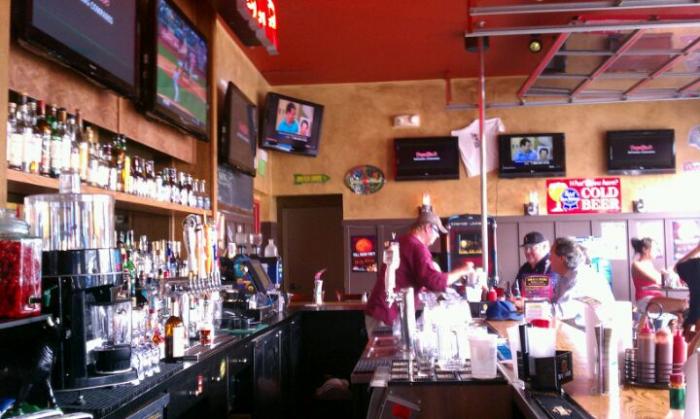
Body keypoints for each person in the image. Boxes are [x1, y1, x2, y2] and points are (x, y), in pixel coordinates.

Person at [365, 210, 474, 335]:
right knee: (390, 348)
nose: (437, 237)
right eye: (437, 232)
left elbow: (409, 277)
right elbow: (435, 282)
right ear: (427, 228)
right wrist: (463, 270)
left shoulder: (402, 241)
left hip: (380, 311)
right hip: (386, 315)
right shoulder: (417, 247)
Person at [549, 237, 615, 320]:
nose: (549, 259)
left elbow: (561, 312)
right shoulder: (564, 277)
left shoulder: (583, 278)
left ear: (562, 258)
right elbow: (554, 301)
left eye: (551, 255)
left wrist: (535, 309)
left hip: (596, 327)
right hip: (575, 324)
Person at [510, 232, 556, 301]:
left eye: (531, 247)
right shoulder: (525, 267)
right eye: (525, 248)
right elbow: (515, 289)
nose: (527, 251)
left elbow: (550, 287)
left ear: (544, 247)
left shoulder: (553, 265)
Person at [674, 242, 700, 354]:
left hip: (693, 320)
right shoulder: (695, 265)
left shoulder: (694, 265)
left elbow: (678, 266)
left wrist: (697, 249)